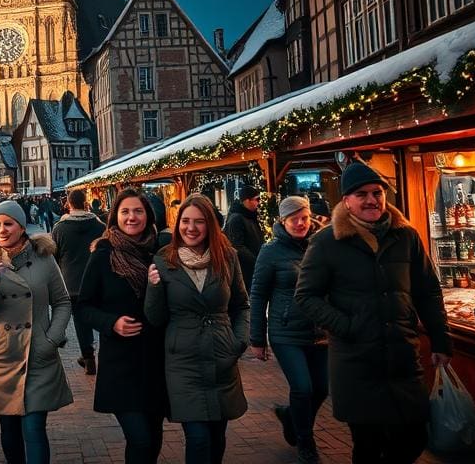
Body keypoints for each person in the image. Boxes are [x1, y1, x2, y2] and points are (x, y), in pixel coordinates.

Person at [295, 161, 452, 464]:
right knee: (368, 444)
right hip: (357, 362)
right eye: (362, 194)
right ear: (346, 201)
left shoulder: (405, 236)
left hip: (402, 357)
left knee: (413, 437)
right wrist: (348, 326)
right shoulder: (327, 242)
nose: (371, 200)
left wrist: (441, 340)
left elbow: (428, 292)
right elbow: (306, 296)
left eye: (377, 192)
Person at [0, 200, 73, 464]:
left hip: (37, 354)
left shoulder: (44, 257)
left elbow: (62, 301)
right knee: (9, 431)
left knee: (34, 429)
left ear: (22, 227)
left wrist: (51, 338)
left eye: (8, 224)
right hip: (2, 356)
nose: (2, 230)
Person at [145, 193, 249, 464]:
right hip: (184, 362)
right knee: (198, 438)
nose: (191, 228)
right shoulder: (164, 259)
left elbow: (241, 304)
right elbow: (155, 318)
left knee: (217, 435)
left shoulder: (227, 257)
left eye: (199, 221)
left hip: (221, 356)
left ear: (210, 224)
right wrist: (153, 288)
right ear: (178, 223)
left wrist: (239, 340)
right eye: (185, 221)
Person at [78, 190, 167, 463]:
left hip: (155, 360)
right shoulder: (103, 254)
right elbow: (83, 307)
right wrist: (111, 322)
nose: (132, 217)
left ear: (148, 215)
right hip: (121, 363)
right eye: (125, 211)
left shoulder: (160, 252)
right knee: (140, 439)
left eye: (138, 211)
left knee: (154, 437)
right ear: (115, 216)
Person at [249, 195, 327, 464]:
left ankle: (290, 417)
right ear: (282, 221)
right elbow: (258, 294)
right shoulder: (270, 251)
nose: (301, 223)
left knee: (322, 388)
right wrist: (257, 338)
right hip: (285, 332)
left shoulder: (320, 245)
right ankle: (305, 440)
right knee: (303, 387)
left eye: (304, 217)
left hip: (319, 331)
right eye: (294, 219)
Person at [52, 188, 105, 375]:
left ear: (68, 203)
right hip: (97, 281)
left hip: (72, 284)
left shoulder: (59, 228)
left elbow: (54, 257)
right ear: (85, 202)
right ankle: (104, 354)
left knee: (81, 320)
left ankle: (88, 357)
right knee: (101, 317)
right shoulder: (100, 226)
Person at [223, 184, 263, 292]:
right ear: (247, 200)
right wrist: (257, 261)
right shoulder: (237, 218)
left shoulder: (249, 216)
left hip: (251, 268)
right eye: (257, 199)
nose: (259, 203)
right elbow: (237, 246)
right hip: (244, 270)